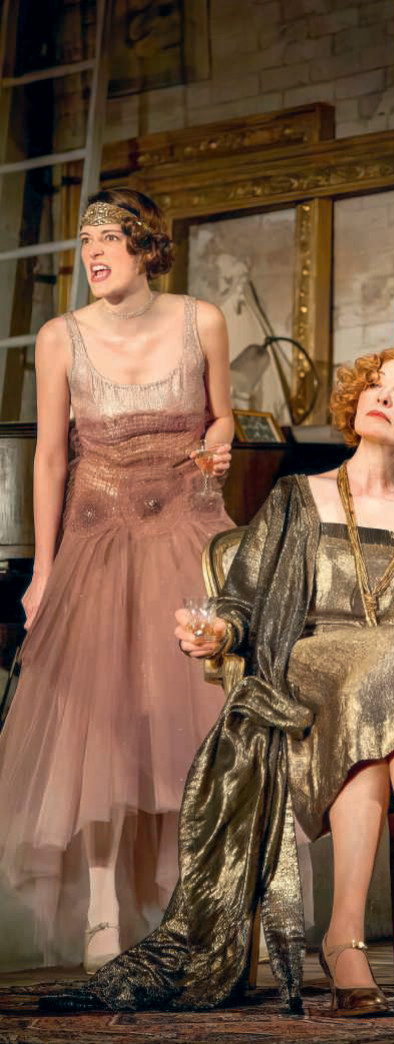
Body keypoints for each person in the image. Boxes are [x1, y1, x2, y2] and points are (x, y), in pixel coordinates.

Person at [41, 349, 394, 1017]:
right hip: (304, 687)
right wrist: (216, 633)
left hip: (390, 709)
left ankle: (344, 944)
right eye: (376, 384)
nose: (382, 396)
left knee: (386, 685)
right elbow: (241, 605)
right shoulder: (295, 497)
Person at [0, 188, 234, 973]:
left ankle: (190, 899)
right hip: (98, 535)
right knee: (99, 721)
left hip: (186, 529)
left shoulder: (202, 320)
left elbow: (224, 416)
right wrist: (43, 571)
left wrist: (220, 442)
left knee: (187, 717)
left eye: (108, 236)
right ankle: (102, 902)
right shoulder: (59, 336)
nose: (92, 251)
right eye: (85, 238)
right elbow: (50, 458)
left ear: (146, 245)